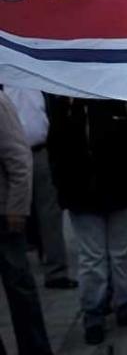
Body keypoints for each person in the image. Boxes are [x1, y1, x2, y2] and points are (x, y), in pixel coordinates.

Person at [48, 98, 127, 345]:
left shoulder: (119, 97)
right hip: (82, 194)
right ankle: (94, 313)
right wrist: (63, 187)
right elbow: (57, 146)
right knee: (92, 258)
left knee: (122, 253)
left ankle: (126, 304)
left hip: (121, 189)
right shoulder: (66, 101)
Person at [3, 85, 76, 290]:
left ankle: (56, 271)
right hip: (9, 159)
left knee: (50, 213)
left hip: (40, 152)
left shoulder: (39, 82)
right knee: (15, 214)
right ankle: (19, 271)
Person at [0, 89, 52, 355]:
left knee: (19, 287)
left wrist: (17, 209)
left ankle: (35, 348)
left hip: (4, 216)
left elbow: (19, 158)